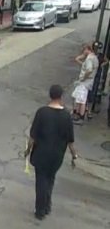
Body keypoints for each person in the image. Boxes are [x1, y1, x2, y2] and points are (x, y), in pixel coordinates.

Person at [25, 85, 77, 220]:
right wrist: (74, 155)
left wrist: (28, 150)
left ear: (50, 95)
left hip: (41, 153)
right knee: (50, 178)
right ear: (61, 96)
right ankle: (47, 205)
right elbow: (70, 140)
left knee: (41, 181)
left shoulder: (42, 112)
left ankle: (40, 210)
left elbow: (33, 136)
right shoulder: (66, 116)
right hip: (57, 156)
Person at [72, 44, 98, 123]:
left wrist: (84, 78)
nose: (83, 52)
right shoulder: (94, 57)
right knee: (79, 98)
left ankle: (81, 117)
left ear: (87, 49)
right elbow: (83, 64)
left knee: (81, 100)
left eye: (84, 50)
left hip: (85, 82)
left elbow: (89, 70)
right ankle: (77, 114)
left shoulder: (89, 59)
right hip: (88, 82)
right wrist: (83, 56)